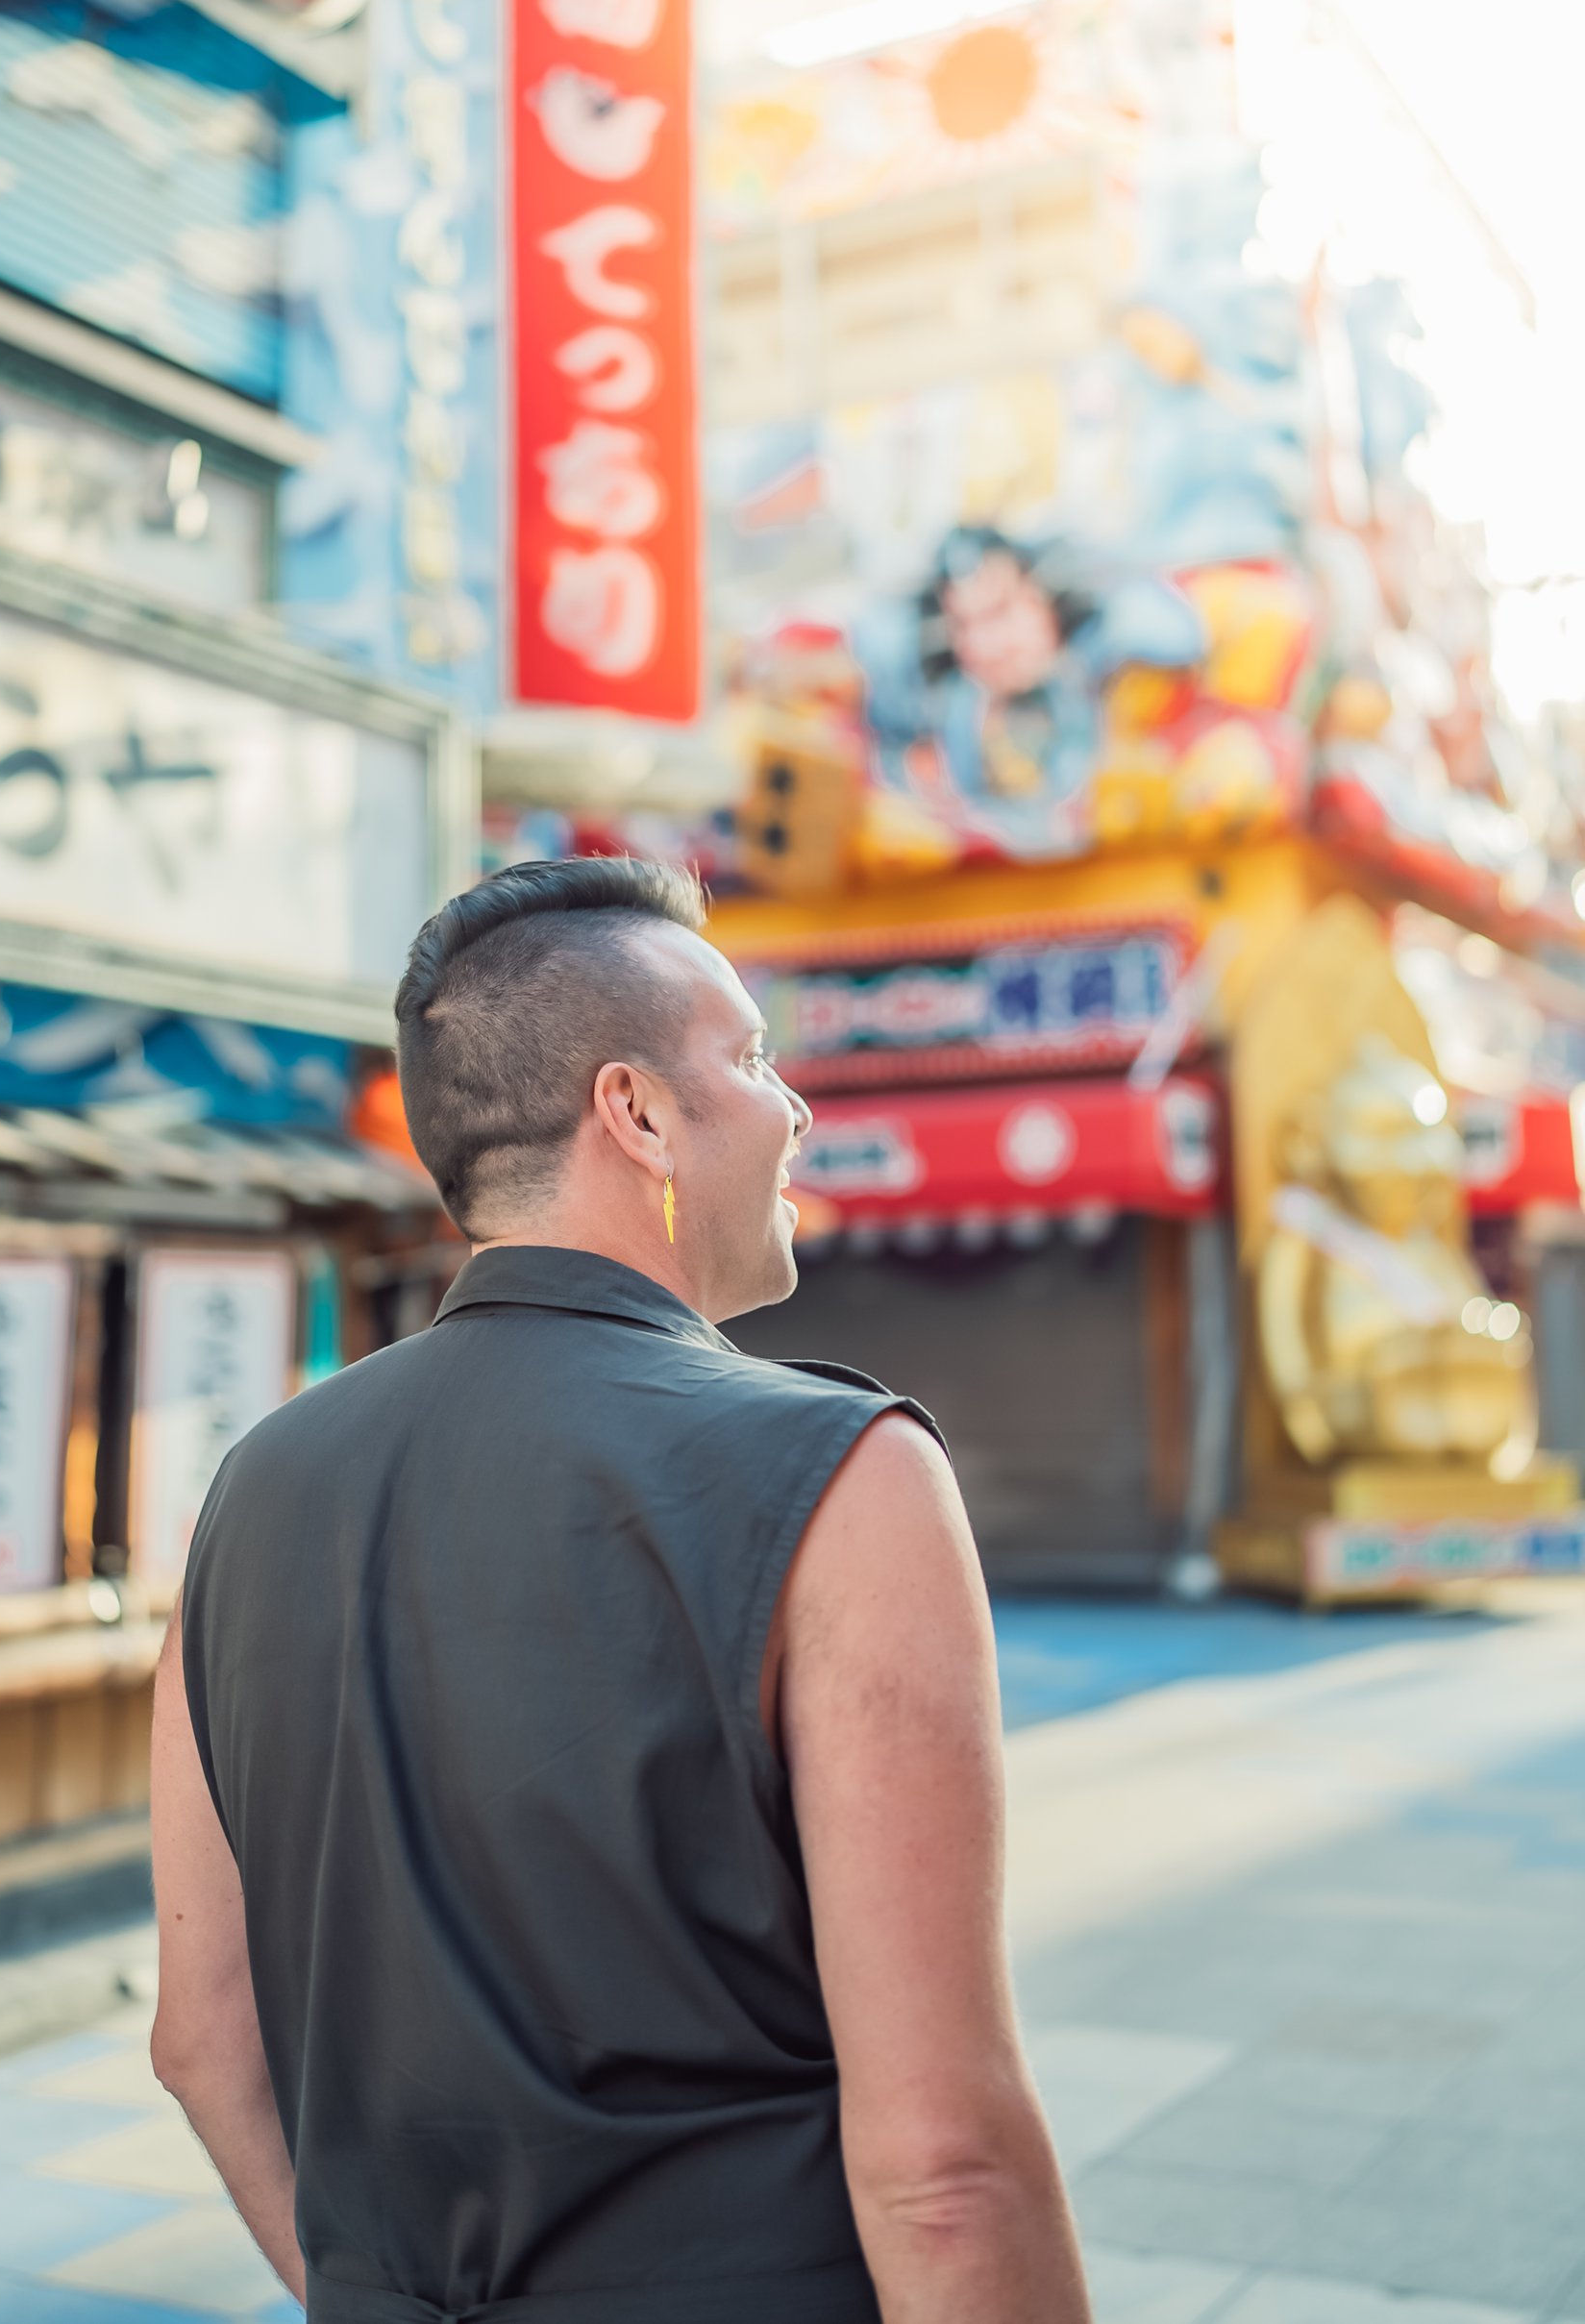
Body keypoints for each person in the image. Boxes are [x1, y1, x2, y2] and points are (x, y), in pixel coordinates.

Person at [151, 855, 1090, 2324]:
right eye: (753, 1057)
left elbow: (202, 2042)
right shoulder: (847, 1473)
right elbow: (945, 2173)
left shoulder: (251, 1488)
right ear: (636, 1112)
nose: (793, 1108)